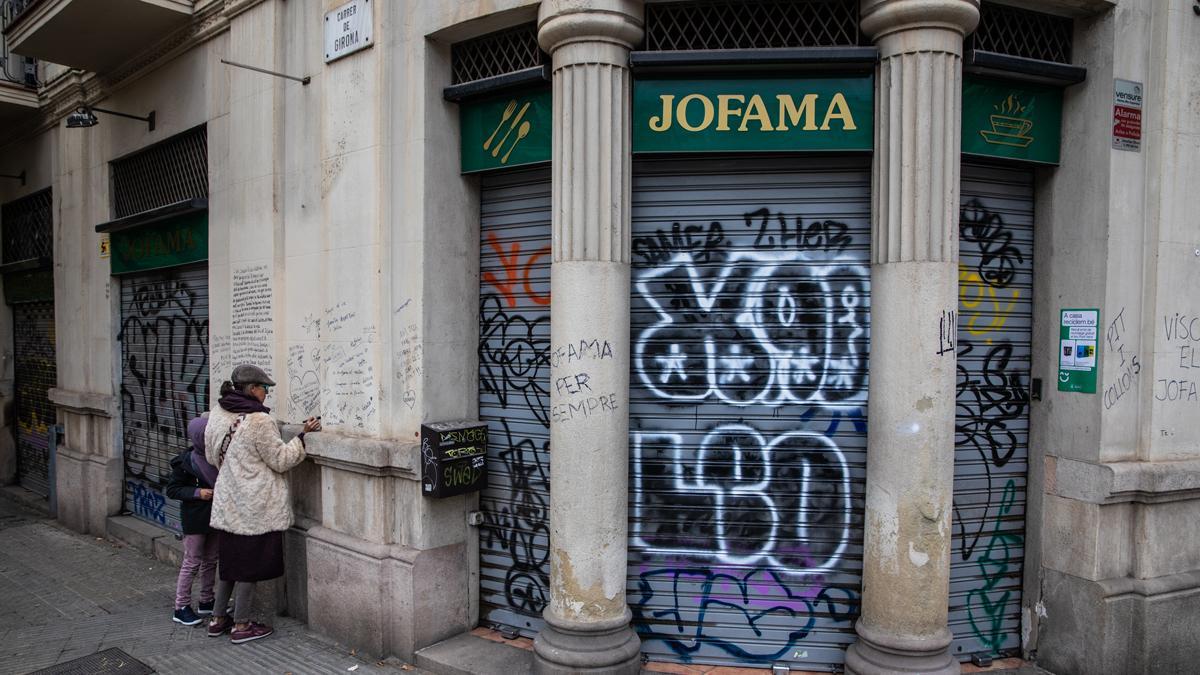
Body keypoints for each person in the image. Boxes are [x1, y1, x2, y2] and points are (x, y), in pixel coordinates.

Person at [204, 364, 320, 644]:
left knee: (230, 564)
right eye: (265, 389)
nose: (266, 394)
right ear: (253, 390)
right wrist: (302, 436)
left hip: (228, 503)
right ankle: (242, 625)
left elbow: (210, 456)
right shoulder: (259, 421)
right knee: (249, 566)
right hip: (254, 506)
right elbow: (281, 460)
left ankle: (218, 618)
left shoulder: (219, 414)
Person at [164, 415, 220, 626]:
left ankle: (206, 600)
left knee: (211, 559)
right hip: (195, 519)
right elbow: (173, 489)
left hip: (214, 516)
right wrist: (198, 492)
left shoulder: (215, 458)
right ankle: (181, 607)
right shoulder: (185, 463)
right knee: (192, 561)